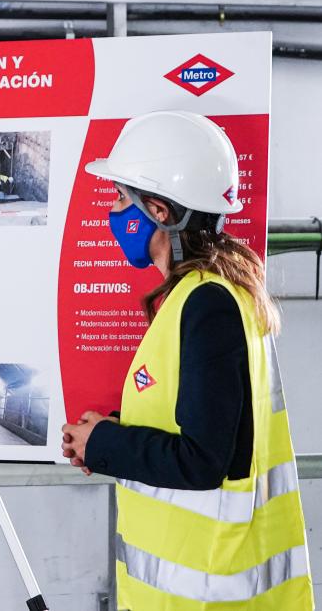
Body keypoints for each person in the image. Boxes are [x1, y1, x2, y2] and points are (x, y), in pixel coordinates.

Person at [61, 111, 311, 609]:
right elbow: (205, 421)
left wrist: (105, 444)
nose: (112, 213)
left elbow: (203, 460)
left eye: (118, 199)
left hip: (208, 591)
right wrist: (106, 434)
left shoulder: (207, 303)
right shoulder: (206, 295)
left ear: (156, 210)